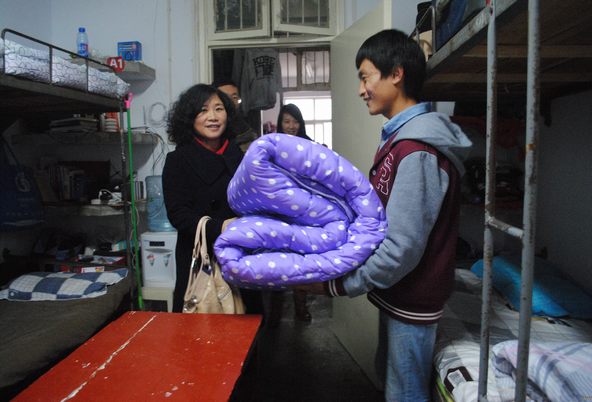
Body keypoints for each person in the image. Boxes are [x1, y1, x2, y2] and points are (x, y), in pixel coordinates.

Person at [297, 29, 471, 401]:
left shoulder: (417, 149)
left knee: (404, 394)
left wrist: (338, 286)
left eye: (366, 77)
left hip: (412, 298)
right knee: (391, 385)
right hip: (399, 293)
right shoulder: (399, 140)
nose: (361, 90)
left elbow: (400, 249)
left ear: (396, 74)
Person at [162, 83, 263, 314]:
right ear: (190, 117)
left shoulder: (241, 156)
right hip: (200, 259)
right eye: (203, 110)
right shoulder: (178, 160)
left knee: (248, 321)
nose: (213, 117)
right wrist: (221, 227)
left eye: (219, 109)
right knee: (202, 327)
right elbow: (178, 215)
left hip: (242, 256)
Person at [263, 103, 313, 326]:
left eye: (295, 122)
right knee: (278, 258)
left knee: (301, 260)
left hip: (304, 210)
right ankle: (275, 310)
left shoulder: (310, 145)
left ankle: (301, 306)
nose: (292, 126)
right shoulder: (272, 145)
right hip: (278, 209)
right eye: (287, 121)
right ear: (280, 124)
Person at [213, 78, 259, 152]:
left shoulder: (244, 130)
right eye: (224, 97)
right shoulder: (208, 125)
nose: (230, 101)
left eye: (234, 97)